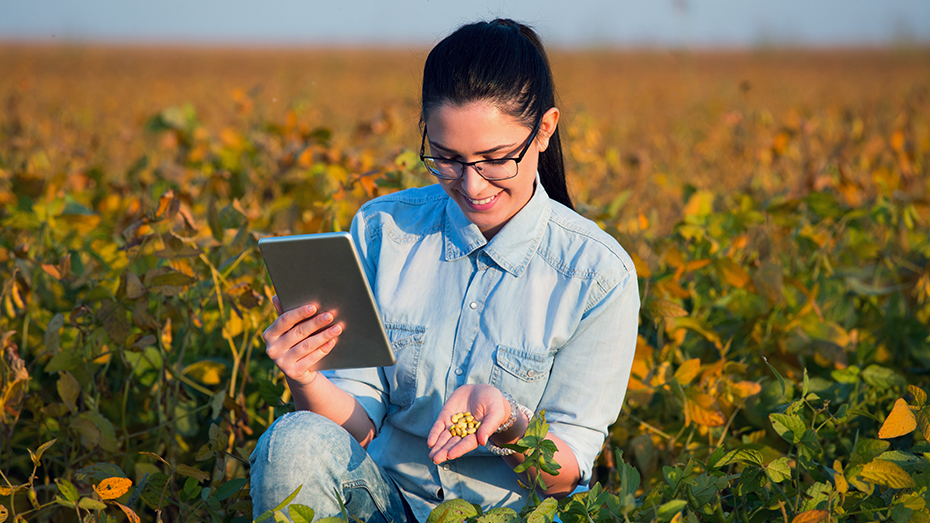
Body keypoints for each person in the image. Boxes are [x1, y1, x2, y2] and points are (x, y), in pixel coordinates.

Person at [250, 18, 640, 523]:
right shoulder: (381, 230)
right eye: (448, 158)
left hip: (508, 515)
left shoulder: (598, 275)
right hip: (388, 504)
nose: (473, 185)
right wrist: (305, 376)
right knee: (294, 439)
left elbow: (565, 474)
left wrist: (510, 425)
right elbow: (355, 431)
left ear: (544, 130)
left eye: (496, 159)